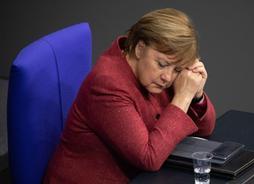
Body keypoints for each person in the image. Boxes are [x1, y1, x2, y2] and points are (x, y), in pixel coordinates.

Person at [44, 8, 216, 184]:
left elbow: (205, 130)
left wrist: (196, 96)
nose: (168, 77)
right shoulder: (107, 85)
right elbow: (149, 158)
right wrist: (183, 98)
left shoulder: (157, 72)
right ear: (140, 49)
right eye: (162, 64)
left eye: (178, 70)